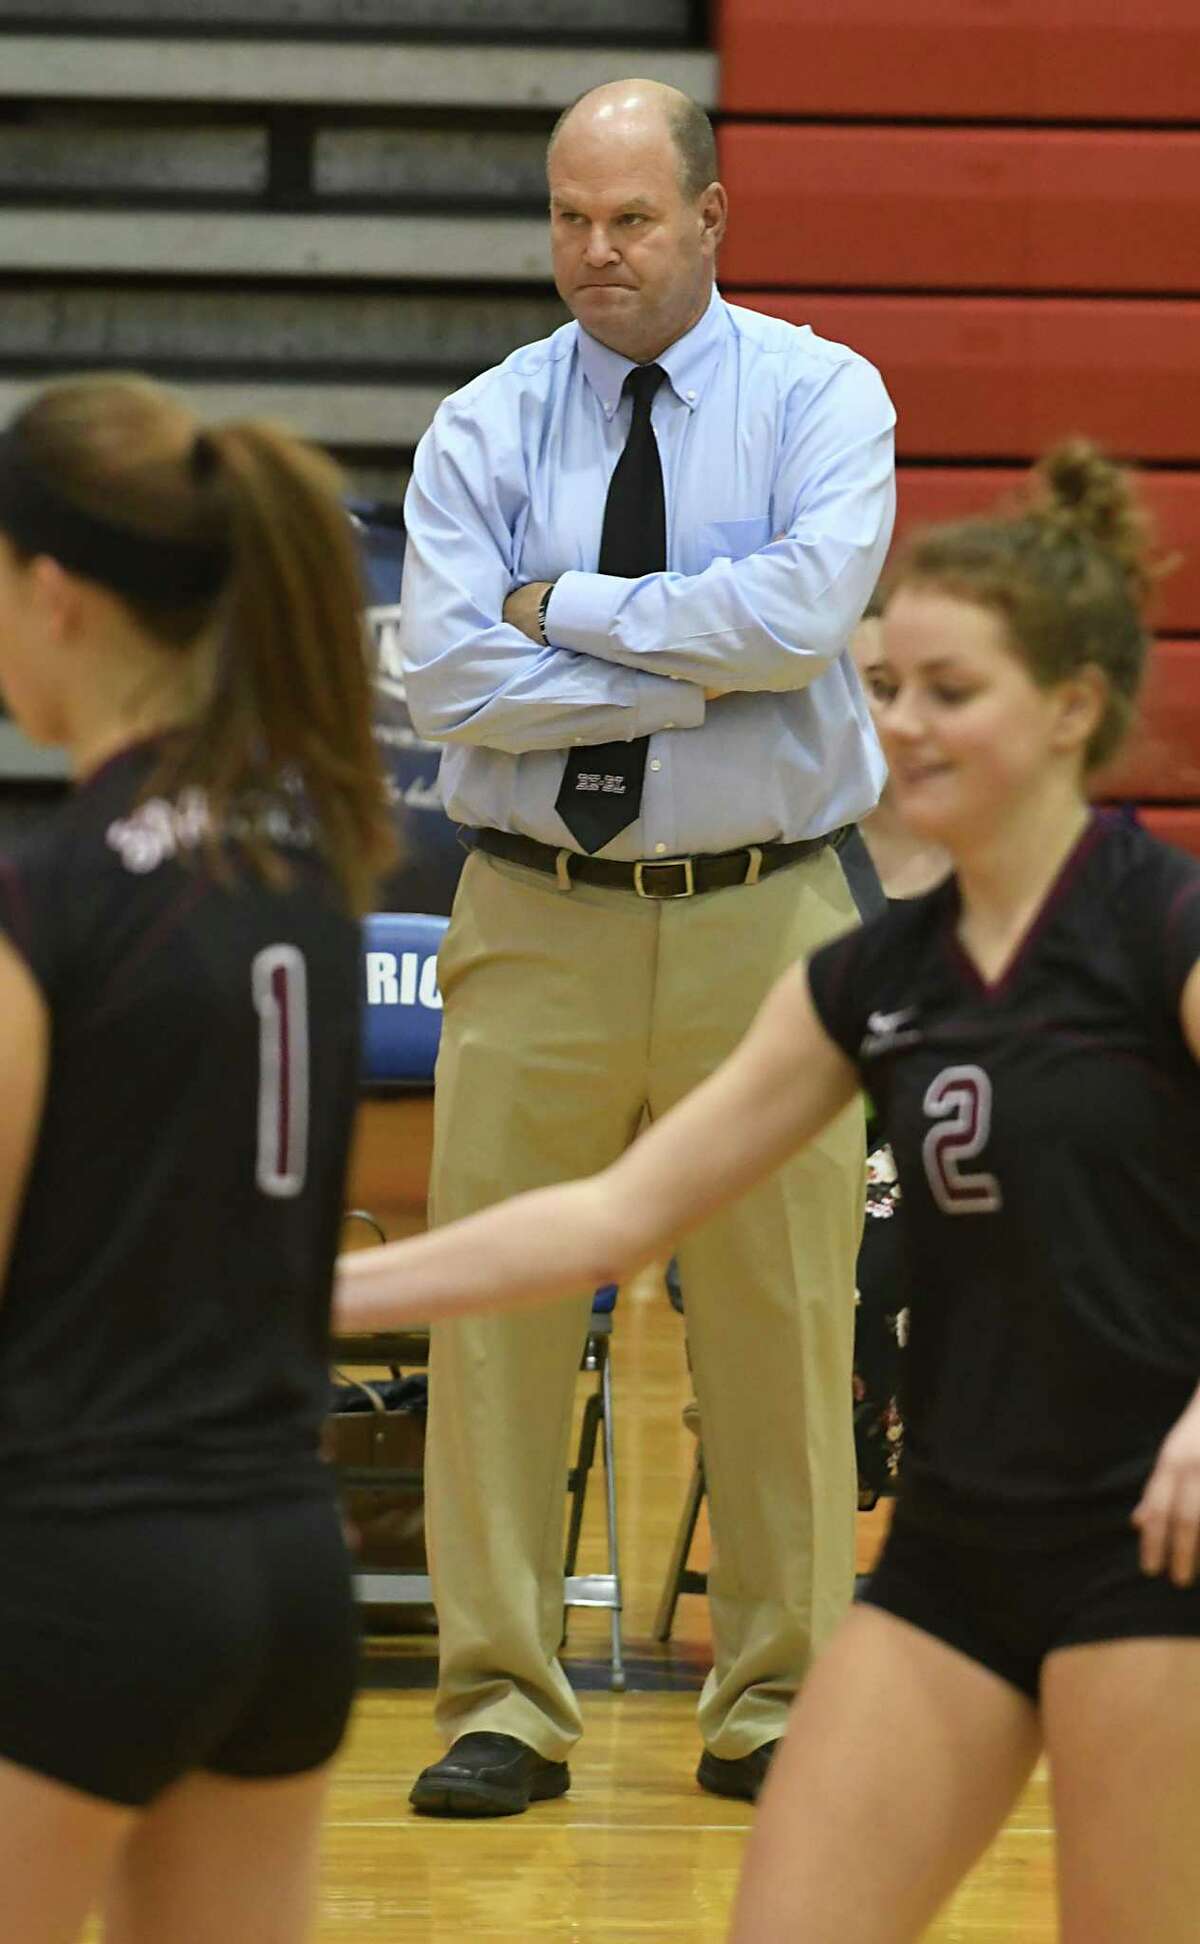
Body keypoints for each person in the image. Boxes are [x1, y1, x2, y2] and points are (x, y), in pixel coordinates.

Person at [337, 439, 1200, 1941]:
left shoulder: (1160, 930)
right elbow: (611, 1218)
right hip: (954, 1561)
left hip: (1149, 1556)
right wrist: (309, 1292)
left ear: (1073, 710)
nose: (904, 729)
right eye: (888, 689)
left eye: (953, 692)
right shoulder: (872, 975)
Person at [397, 76, 896, 1814]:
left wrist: (568, 611)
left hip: (771, 911)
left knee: (779, 1318)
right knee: (497, 1312)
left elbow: (806, 614)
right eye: (566, 217)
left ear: (711, 218)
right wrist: (694, 655)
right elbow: (444, 673)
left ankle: (775, 1698)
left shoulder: (824, 397)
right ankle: (504, 1700)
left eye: (629, 218)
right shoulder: (481, 424)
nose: (594, 253)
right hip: (533, 914)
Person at [0, 373, 394, 1944]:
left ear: (54, 590)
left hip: (80, 1565)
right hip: (288, 1576)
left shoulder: (61, 898)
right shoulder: (312, 861)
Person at [847, 600, 950, 1500]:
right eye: (872, 688)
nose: (900, 718)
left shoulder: (1017, 865)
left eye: (932, 689)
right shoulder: (778, 863)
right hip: (823, 1151)